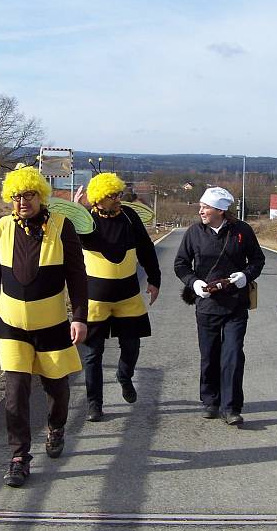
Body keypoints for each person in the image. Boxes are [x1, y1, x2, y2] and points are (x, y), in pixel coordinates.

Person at [0, 164, 88, 488]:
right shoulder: (3, 227)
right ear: (10, 197)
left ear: (40, 195)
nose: (23, 201)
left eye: (29, 195)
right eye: (17, 195)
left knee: (56, 388)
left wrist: (79, 317)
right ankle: (19, 457)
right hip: (11, 323)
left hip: (51, 323)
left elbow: (77, 276)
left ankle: (56, 427)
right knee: (15, 391)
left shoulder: (62, 227)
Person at [74, 172, 161, 422]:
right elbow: (61, 237)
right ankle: (94, 404)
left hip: (128, 295)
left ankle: (124, 375)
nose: (118, 199)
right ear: (99, 198)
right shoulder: (85, 220)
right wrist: (75, 208)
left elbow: (146, 248)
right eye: (113, 196)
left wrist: (155, 280)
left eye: (119, 194)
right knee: (93, 355)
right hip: (94, 299)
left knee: (132, 346)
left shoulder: (130, 217)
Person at [174, 187, 265, 425]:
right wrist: (194, 284)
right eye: (202, 207)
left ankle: (231, 406)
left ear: (221, 210)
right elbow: (181, 264)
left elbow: (257, 260)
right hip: (206, 305)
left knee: (233, 354)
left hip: (235, 304)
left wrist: (245, 276)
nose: (201, 210)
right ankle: (210, 400)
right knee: (210, 355)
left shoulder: (242, 231)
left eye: (206, 207)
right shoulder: (194, 232)